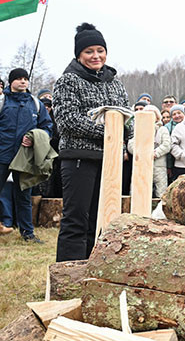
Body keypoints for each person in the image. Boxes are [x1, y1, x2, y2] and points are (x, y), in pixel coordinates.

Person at [54, 23, 130, 261]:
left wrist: (129, 134)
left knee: (100, 221)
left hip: (109, 160)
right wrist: (109, 131)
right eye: (89, 51)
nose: (96, 56)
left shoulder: (114, 82)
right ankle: (68, 273)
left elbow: (126, 115)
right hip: (79, 159)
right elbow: (67, 121)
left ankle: (92, 268)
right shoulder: (68, 81)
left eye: (100, 50)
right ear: (79, 54)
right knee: (76, 219)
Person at [0, 68, 53, 242]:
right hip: (2, 155)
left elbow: (47, 127)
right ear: (11, 82)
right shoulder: (2, 101)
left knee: (23, 196)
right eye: (19, 79)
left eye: (25, 78)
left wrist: (34, 138)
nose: (23, 81)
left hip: (25, 158)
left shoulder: (35, 103)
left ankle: (28, 234)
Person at [129, 105, 171, 198]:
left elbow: (167, 145)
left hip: (159, 166)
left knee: (161, 192)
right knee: (139, 190)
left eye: (152, 114)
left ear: (157, 117)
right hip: (141, 164)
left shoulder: (162, 129)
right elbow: (131, 144)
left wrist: (154, 153)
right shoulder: (139, 129)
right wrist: (140, 153)